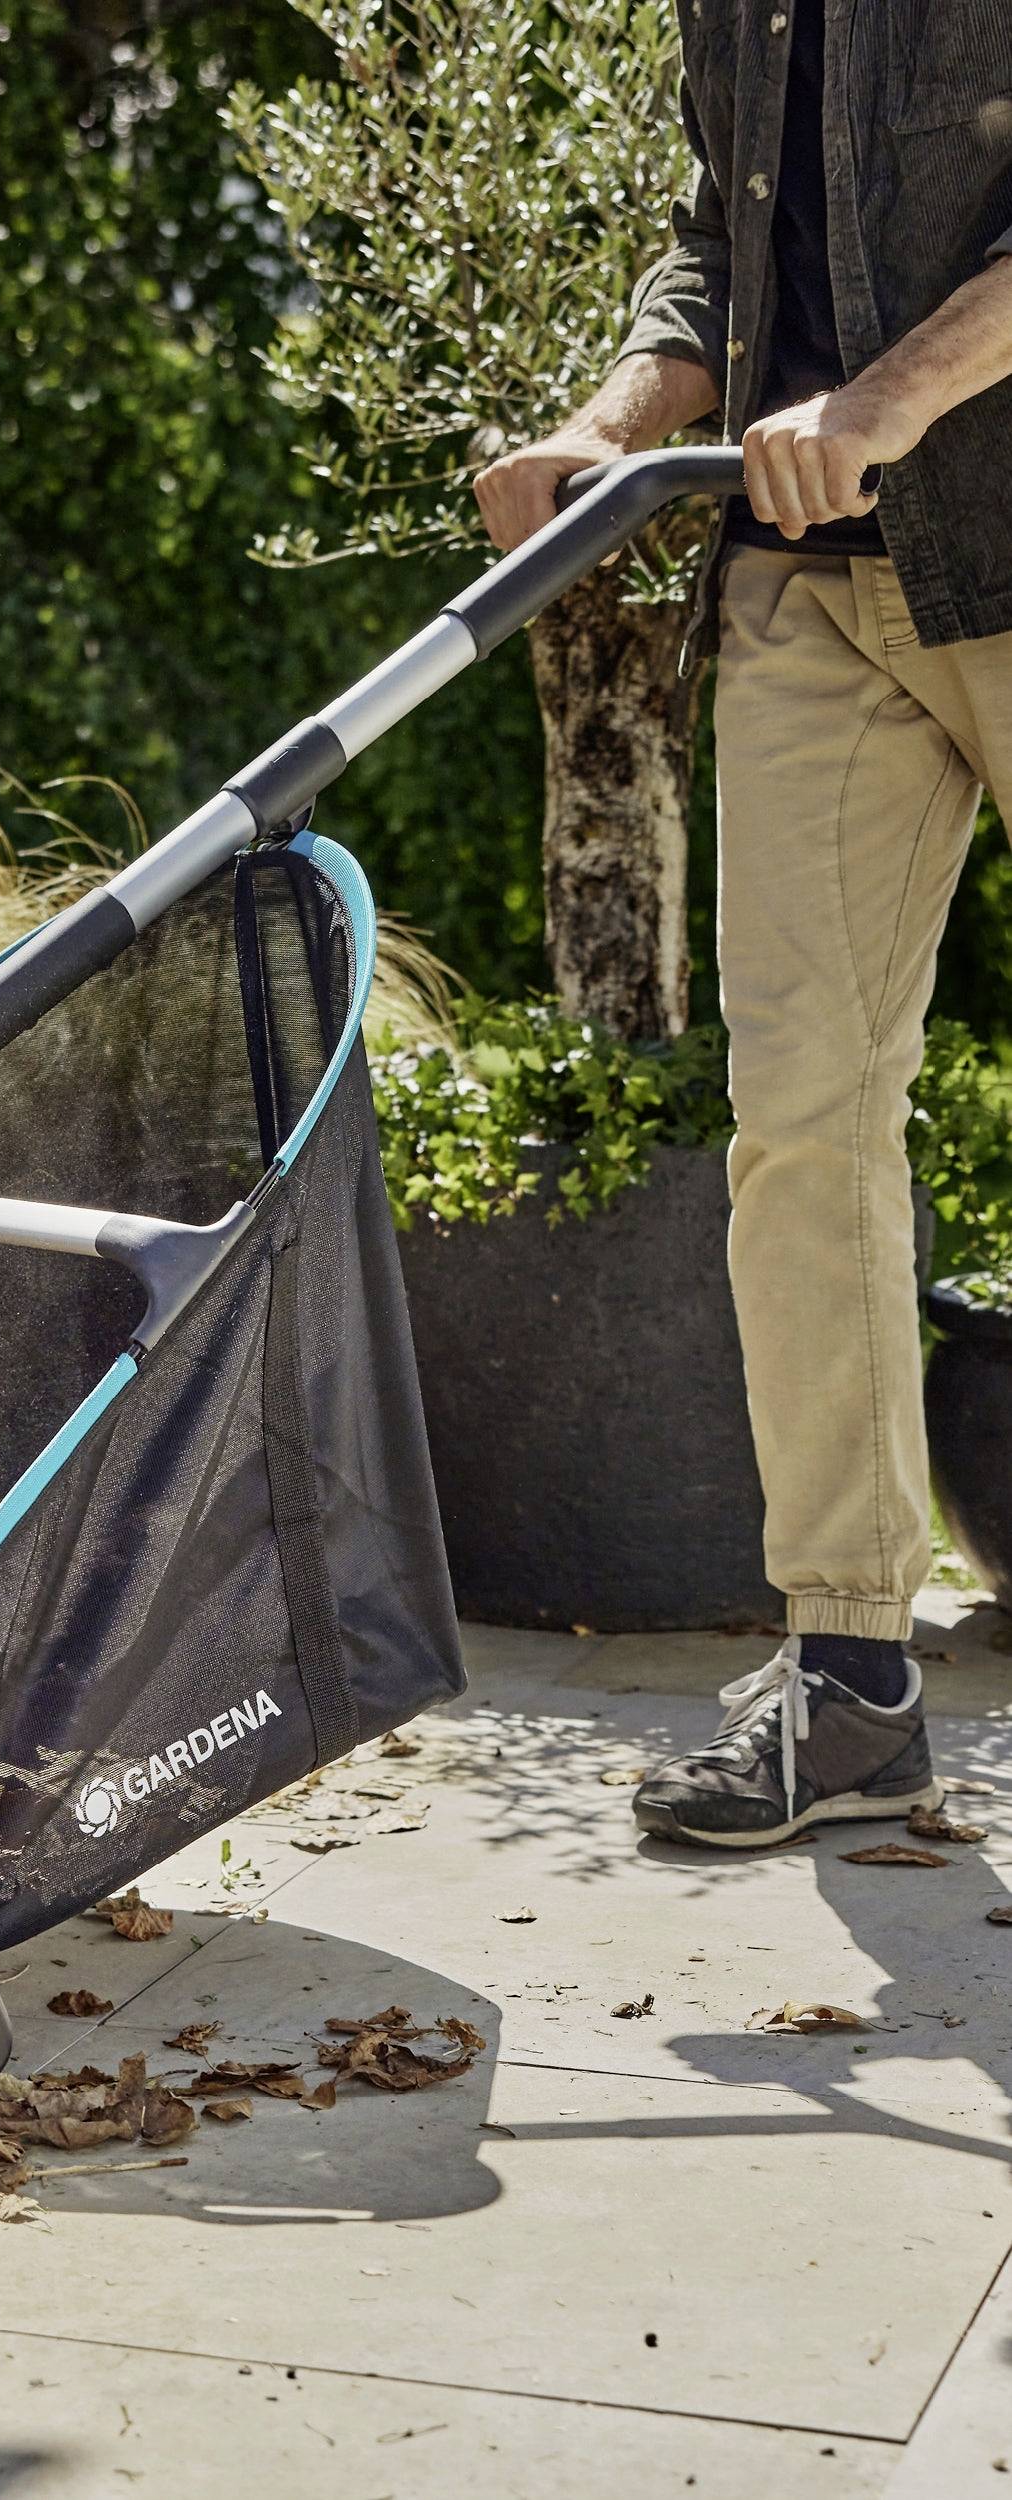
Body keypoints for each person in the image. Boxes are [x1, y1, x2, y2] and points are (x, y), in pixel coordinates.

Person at [474, 1, 1012, 1846]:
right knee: (800, 1116)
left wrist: (883, 403)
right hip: (808, 586)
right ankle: (854, 1675)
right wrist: (610, 430)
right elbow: (725, 239)